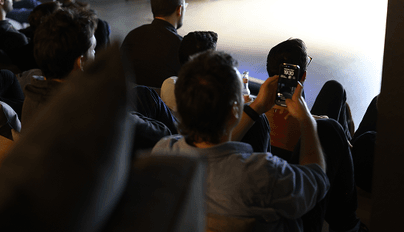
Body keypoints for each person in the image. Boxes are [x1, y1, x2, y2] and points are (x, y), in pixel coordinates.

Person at [153, 50, 361, 232]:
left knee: (258, 122)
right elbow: (316, 182)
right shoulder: (260, 172)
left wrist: (256, 108)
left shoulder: (163, 151)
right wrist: (307, 120)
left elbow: (209, 150)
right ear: (235, 110)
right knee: (330, 129)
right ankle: (350, 226)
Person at [25, 7, 174, 150]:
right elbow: (161, 135)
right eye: (93, 50)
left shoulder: (31, 95)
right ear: (80, 62)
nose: (96, 55)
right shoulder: (98, 110)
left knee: (144, 94)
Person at [121, 0, 186, 88]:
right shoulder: (181, 47)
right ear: (179, 10)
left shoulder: (132, 36)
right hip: (164, 98)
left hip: (130, 97)